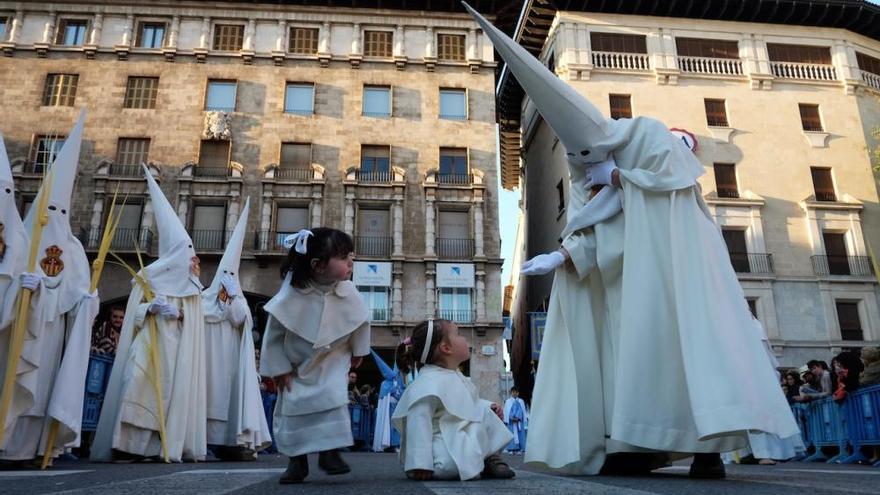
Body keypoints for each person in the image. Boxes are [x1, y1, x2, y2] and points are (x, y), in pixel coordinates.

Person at [464, 4, 800, 479]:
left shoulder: (647, 138)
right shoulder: (589, 175)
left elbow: (676, 185)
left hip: (675, 272)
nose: (585, 167)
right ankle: (636, 445)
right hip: (627, 286)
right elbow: (595, 232)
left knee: (690, 350)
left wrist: (623, 177)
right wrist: (559, 255)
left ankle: (709, 451)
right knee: (631, 363)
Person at [1, 113, 100, 465]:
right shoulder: (21, 238)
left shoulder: (72, 248)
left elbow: (78, 298)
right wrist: (18, 289)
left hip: (51, 334)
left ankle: (35, 448)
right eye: (50, 208)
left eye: (61, 210)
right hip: (17, 331)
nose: (56, 215)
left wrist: (88, 302)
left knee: (40, 391)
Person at [91, 165, 207, 463]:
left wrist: (179, 315)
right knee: (135, 383)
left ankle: (156, 447)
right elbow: (133, 311)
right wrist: (149, 308)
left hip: (175, 350)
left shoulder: (192, 285)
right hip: (147, 341)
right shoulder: (147, 276)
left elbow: (195, 320)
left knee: (166, 398)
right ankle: (125, 444)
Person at [259, 228, 370, 484]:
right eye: (343, 258)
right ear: (318, 265)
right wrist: (279, 368)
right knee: (293, 413)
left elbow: (362, 321)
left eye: (350, 256)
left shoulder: (348, 291)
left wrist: (359, 351)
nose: (351, 262)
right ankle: (296, 461)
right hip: (297, 368)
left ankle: (330, 453)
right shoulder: (289, 297)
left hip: (332, 361)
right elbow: (273, 336)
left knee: (333, 402)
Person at [391, 319, 515, 481]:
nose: (464, 339)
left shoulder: (456, 375)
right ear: (446, 348)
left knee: (485, 414)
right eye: (458, 334)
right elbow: (418, 421)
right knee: (449, 465)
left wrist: (488, 406)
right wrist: (420, 462)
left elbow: (470, 403)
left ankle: (488, 459)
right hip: (439, 447)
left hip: (458, 436)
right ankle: (482, 461)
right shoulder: (427, 383)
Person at [202, 198, 271, 461]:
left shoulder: (239, 299)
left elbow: (241, 319)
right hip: (209, 360)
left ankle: (232, 442)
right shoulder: (205, 297)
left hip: (230, 360)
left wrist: (232, 298)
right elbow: (202, 314)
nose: (228, 279)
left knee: (229, 400)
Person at [503, 387, 528, 454]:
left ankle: (520, 448)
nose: (515, 393)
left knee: (520, 435)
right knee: (512, 434)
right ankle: (511, 449)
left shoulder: (521, 401)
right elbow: (507, 411)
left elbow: (522, 411)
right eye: (513, 392)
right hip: (511, 422)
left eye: (516, 392)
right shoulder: (508, 401)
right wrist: (511, 418)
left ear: (518, 393)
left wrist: (517, 417)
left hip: (519, 421)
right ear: (511, 393)